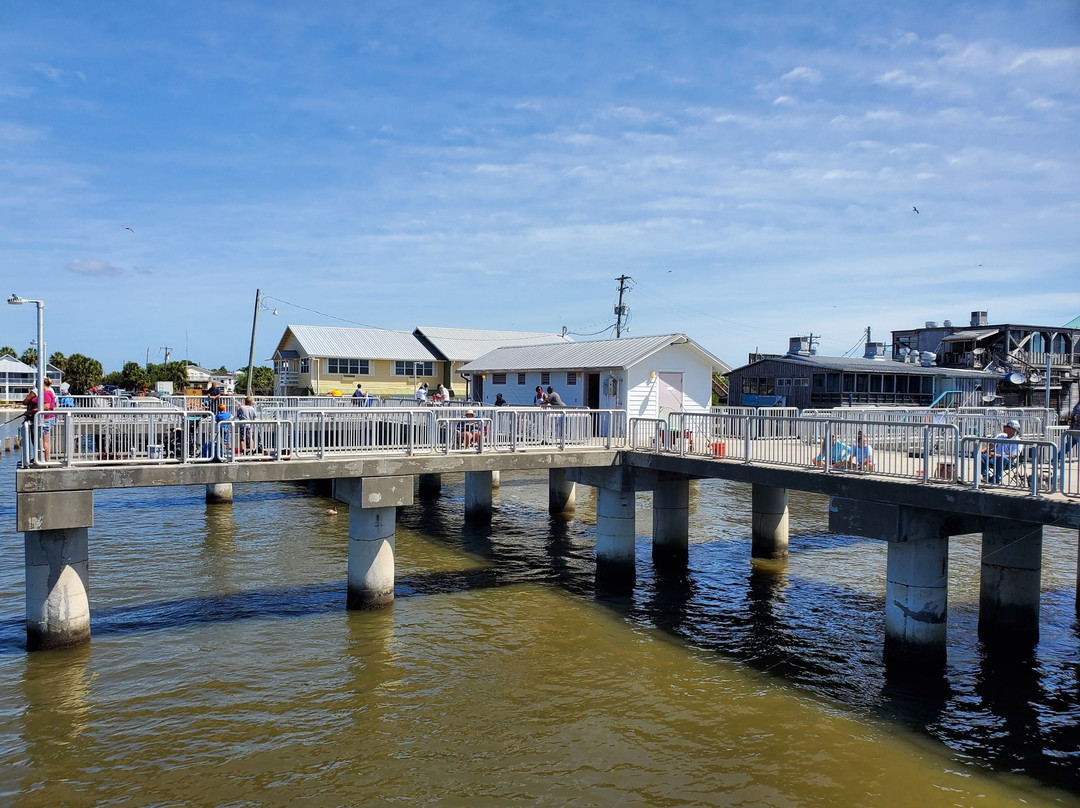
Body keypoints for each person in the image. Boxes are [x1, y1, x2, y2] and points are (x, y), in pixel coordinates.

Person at [22, 377, 57, 463]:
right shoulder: (46, 392)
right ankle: (41, 458)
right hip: (44, 419)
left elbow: (46, 406)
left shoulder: (46, 393)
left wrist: (30, 411)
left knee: (44, 441)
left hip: (45, 419)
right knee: (41, 440)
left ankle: (45, 459)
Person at [979, 419, 1021, 484]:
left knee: (1002, 458)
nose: (1004, 428)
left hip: (1007, 462)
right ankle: (986, 476)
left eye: (1007, 427)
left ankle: (996, 480)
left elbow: (1013, 456)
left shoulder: (1017, 441)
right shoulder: (1001, 436)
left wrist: (997, 455)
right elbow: (990, 445)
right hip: (994, 458)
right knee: (980, 455)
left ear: (1012, 429)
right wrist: (982, 451)